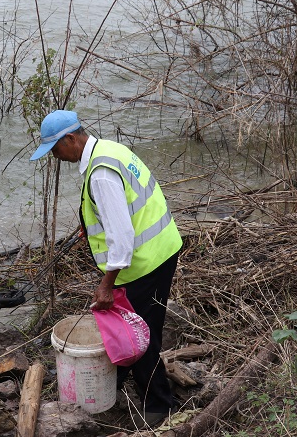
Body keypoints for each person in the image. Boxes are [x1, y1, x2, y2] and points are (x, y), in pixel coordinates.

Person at [30, 110, 183, 428]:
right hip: (161, 248)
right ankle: (116, 381)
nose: (56, 157)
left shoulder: (100, 174)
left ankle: (159, 407)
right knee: (141, 328)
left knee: (139, 338)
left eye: (55, 149)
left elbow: (123, 238)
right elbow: (125, 206)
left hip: (145, 262)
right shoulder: (110, 150)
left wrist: (106, 285)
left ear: (70, 139)